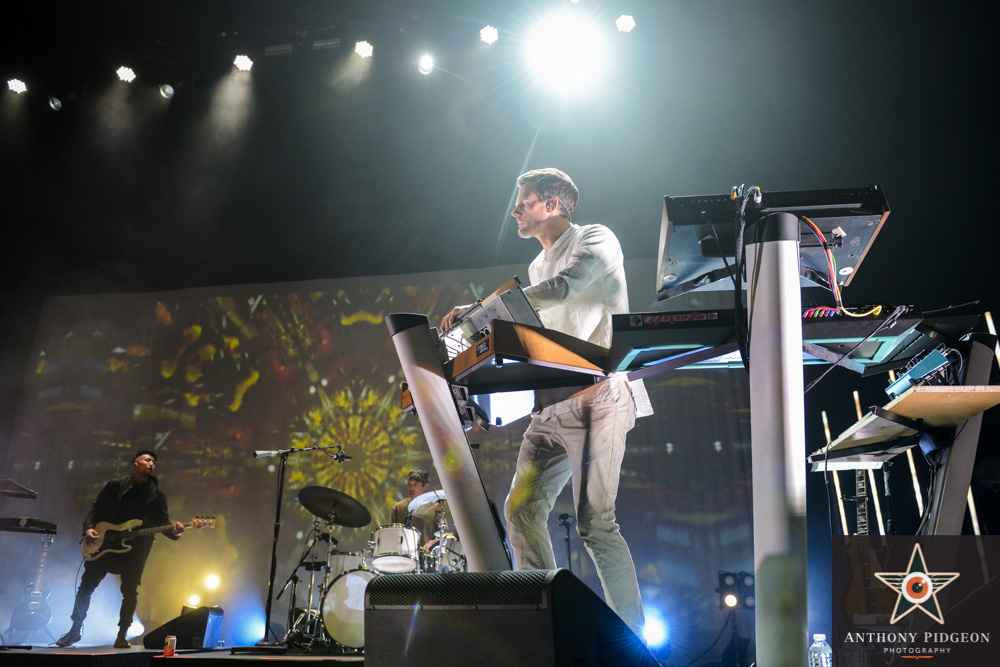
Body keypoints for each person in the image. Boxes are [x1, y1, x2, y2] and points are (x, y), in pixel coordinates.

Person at [440, 168, 652, 635]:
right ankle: (548, 626)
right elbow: (533, 342)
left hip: (603, 394)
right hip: (553, 404)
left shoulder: (596, 238)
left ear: (554, 205)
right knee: (519, 510)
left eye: (526, 201)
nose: (516, 209)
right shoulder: (535, 267)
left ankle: (633, 645)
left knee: (595, 524)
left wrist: (479, 313)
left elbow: (566, 289)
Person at [55, 450, 184, 649]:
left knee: (130, 592)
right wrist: (89, 528)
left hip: (135, 549)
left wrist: (175, 532)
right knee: (86, 588)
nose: (151, 464)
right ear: (135, 464)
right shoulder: (115, 486)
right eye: (147, 460)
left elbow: (163, 522)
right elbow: (95, 508)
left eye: (154, 462)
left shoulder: (157, 495)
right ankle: (75, 629)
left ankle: (122, 635)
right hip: (105, 542)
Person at [388, 467, 445, 552]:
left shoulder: (435, 508)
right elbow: (389, 534)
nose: (411, 488)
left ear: (425, 487)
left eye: (415, 485)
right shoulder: (398, 507)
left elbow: (444, 536)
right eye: (409, 484)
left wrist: (431, 543)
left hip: (426, 558)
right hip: (402, 556)